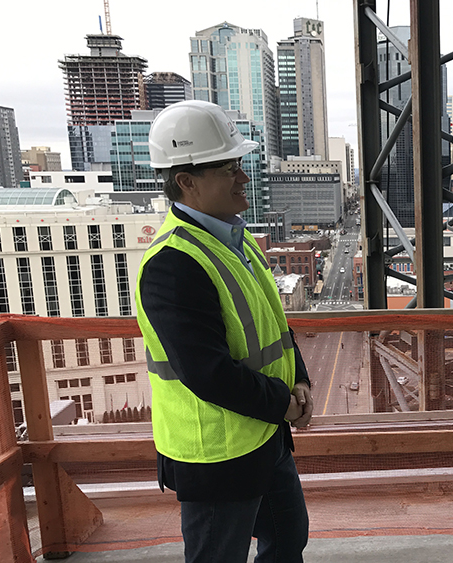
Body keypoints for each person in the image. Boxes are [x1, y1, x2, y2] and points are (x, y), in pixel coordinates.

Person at [136, 100, 314, 563]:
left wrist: (300, 378)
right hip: (216, 453)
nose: (243, 177)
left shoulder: (233, 241)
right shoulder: (172, 264)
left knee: (288, 538)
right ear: (186, 182)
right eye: (228, 168)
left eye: (240, 164)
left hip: (263, 435)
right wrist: (284, 405)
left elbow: (274, 323)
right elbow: (206, 370)